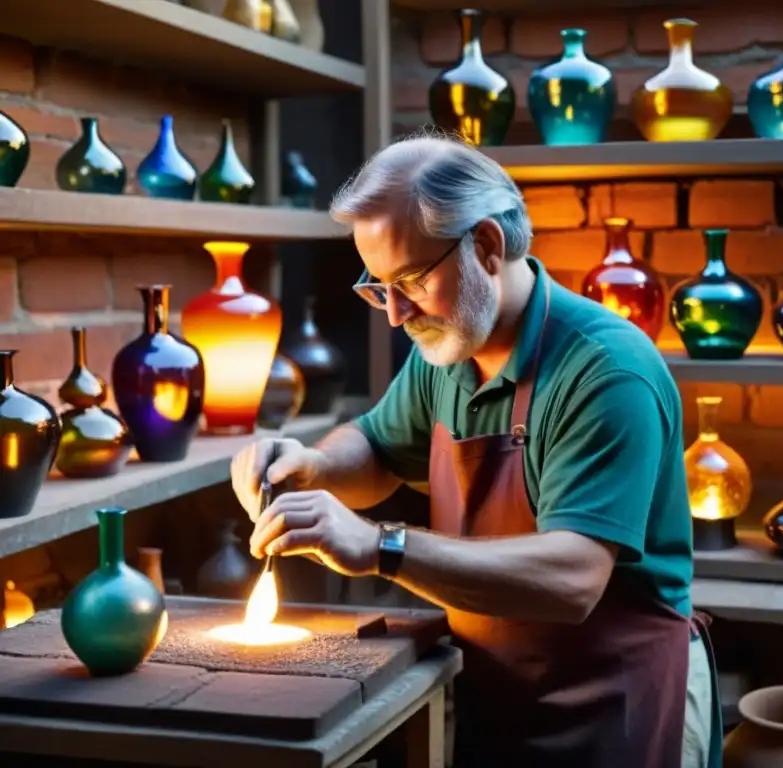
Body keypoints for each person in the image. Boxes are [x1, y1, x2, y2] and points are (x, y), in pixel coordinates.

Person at [230, 133, 723, 768]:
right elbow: (378, 447)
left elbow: (573, 577)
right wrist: (314, 467)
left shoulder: (606, 372)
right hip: (500, 689)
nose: (396, 314)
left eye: (409, 279)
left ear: (486, 246)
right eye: (378, 286)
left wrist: (381, 546)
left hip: (614, 708)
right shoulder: (450, 345)